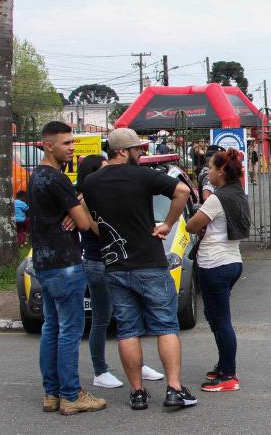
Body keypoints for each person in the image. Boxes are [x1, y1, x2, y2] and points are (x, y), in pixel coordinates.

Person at [82, 128, 197, 410]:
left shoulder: (91, 182)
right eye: (137, 149)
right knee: (165, 325)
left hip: (115, 265)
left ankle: (137, 393)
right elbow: (182, 190)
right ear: (123, 151)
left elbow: (83, 215)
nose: (141, 153)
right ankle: (173, 389)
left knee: (127, 330)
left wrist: (103, 232)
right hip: (149, 262)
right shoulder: (143, 176)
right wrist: (168, 223)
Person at [28, 121, 105, 415]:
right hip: (66, 263)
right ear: (49, 146)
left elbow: (61, 212)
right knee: (70, 330)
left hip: (44, 263)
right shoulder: (58, 179)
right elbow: (85, 223)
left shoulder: (37, 177)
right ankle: (71, 395)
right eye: (67, 144)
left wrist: (71, 206)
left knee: (52, 328)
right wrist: (79, 205)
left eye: (72, 143)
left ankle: (52, 393)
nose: (72, 148)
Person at [185, 148, 251, 392]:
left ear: (221, 171)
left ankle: (229, 375)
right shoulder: (237, 193)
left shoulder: (216, 198)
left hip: (215, 264)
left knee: (221, 320)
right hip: (231, 261)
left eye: (211, 168)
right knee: (215, 317)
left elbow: (192, 226)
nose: (208, 172)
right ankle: (224, 366)